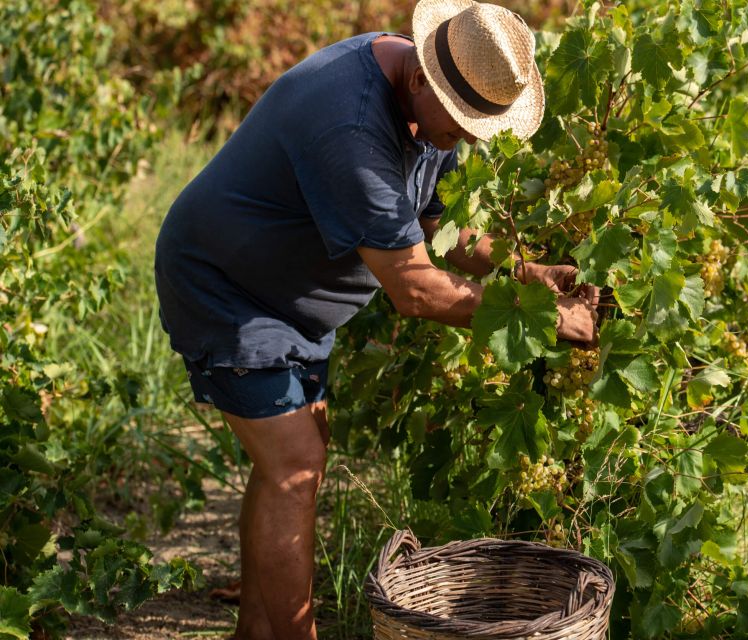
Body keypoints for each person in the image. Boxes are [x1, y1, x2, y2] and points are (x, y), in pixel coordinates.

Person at [154, 0, 599, 637]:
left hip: (290, 297)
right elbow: (416, 289)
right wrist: (549, 320)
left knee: (291, 464)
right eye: (465, 125)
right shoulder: (351, 128)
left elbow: (436, 226)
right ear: (422, 78)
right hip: (228, 288)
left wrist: (528, 273)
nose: (471, 139)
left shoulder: (428, 93)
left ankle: (257, 631)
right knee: (295, 466)